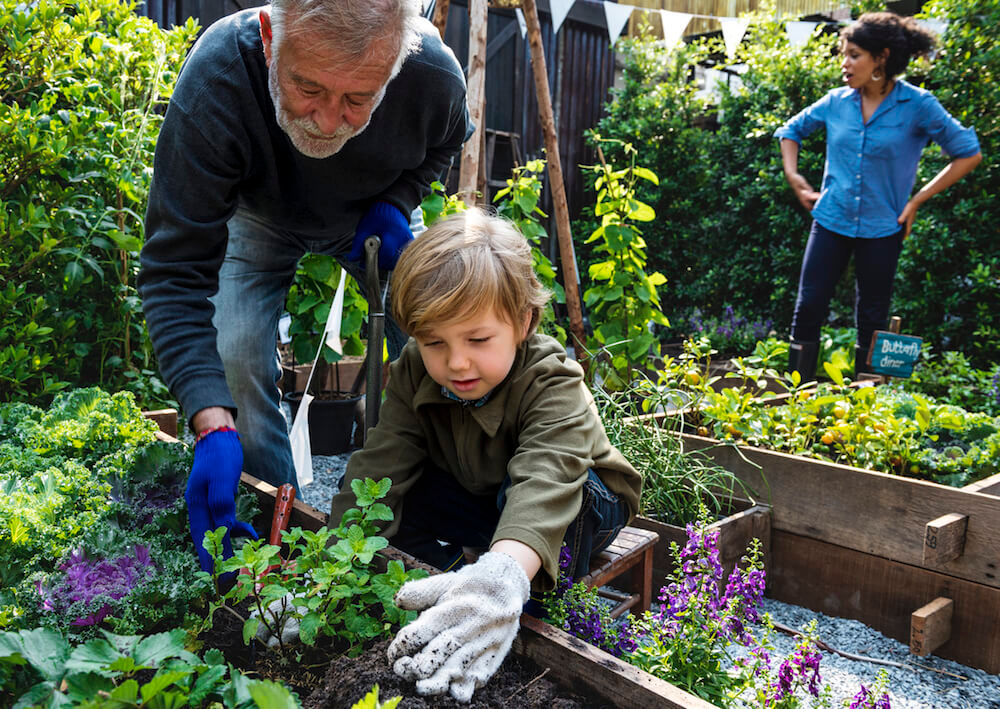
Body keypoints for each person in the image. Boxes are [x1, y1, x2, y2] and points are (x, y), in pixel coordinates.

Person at [136, 0, 471, 571]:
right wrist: (210, 421)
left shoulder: (431, 74)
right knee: (235, 363)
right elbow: (174, 271)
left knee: (447, 338)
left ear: (395, 66)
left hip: (371, 216)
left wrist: (396, 203)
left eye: (358, 100)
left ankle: (451, 512)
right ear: (271, 38)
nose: (325, 119)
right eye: (307, 87)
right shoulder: (220, 75)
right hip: (258, 217)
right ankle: (275, 536)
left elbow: (445, 142)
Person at [327, 208, 642, 702]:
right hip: (481, 492)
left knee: (566, 499)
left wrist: (505, 577)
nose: (456, 361)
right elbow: (380, 463)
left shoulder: (551, 378)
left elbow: (546, 476)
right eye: (434, 342)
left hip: (578, 500)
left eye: (477, 339)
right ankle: (454, 581)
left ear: (522, 322)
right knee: (393, 495)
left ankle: (522, 600)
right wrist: (327, 572)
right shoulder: (415, 370)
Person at [775, 12, 981, 378]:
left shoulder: (918, 105)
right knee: (808, 308)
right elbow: (791, 130)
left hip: (884, 227)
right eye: (844, 54)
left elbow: (968, 152)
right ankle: (796, 400)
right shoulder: (836, 101)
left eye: (854, 54)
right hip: (831, 218)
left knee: (872, 318)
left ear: (881, 58)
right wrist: (794, 175)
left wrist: (917, 200)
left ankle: (865, 406)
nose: (845, 63)